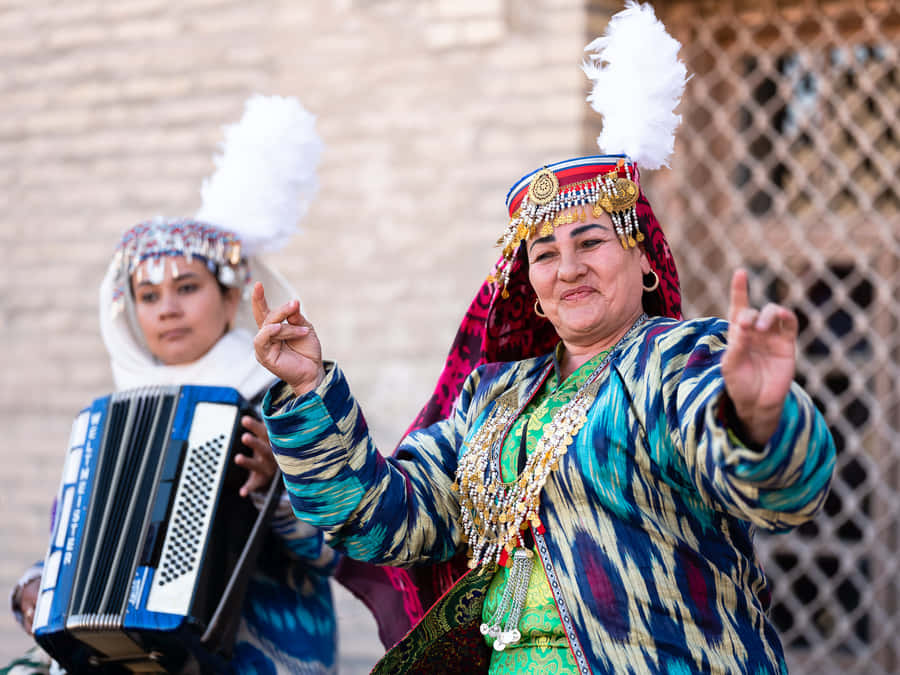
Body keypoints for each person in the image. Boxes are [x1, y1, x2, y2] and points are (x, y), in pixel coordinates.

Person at [252, 4, 836, 674]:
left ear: (645, 260)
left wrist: (759, 421)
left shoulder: (678, 361)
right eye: (545, 254)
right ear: (527, 282)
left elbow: (782, 497)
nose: (569, 268)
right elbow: (384, 518)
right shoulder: (491, 394)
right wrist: (309, 388)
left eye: (591, 241)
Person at [6, 96, 339, 675]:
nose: (167, 310)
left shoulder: (282, 392)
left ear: (233, 296)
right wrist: (36, 588)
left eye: (187, 287)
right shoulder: (112, 419)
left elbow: (337, 550)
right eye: (149, 296)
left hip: (258, 645)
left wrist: (275, 491)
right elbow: (81, 548)